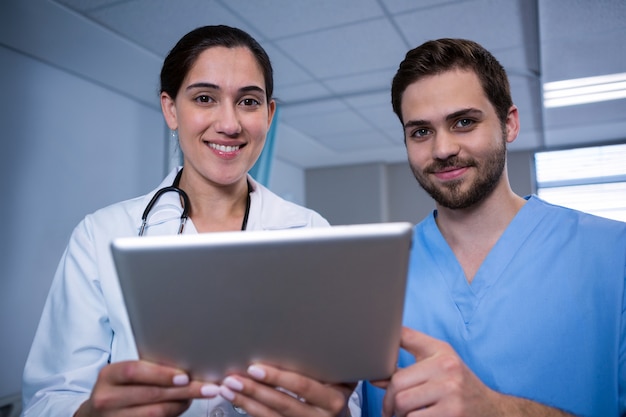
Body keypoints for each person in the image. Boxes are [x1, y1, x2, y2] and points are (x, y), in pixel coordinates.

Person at [21, 25, 356, 417]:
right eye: (204, 98)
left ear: (269, 114)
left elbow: (343, 390)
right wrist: (87, 414)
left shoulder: (312, 231)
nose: (229, 123)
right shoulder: (101, 235)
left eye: (248, 101)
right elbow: (49, 398)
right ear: (170, 109)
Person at [360, 38, 626, 416]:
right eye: (421, 131)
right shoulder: (373, 275)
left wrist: (497, 410)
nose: (442, 149)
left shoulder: (615, 254)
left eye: (464, 122)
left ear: (509, 123)